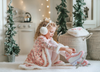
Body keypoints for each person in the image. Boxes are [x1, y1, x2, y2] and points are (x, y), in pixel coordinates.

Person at [19, 18, 88, 69]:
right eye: (51, 32)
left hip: (46, 57)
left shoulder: (49, 39)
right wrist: (66, 49)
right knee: (55, 46)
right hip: (40, 59)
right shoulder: (41, 38)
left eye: (53, 32)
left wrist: (68, 49)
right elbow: (50, 46)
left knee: (57, 45)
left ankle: (72, 57)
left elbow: (56, 45)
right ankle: (71, 58)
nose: (52, 34)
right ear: (44, 30)